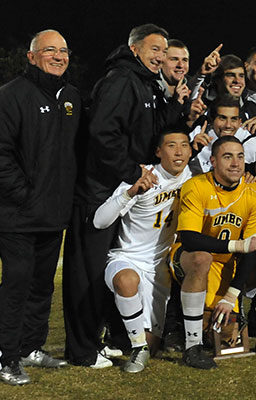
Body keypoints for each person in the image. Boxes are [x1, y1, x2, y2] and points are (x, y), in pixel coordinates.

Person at [63, 23, 171, 369]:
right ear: (135, 48)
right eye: (154, 49)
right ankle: (81, 349)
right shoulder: (122, 80)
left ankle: (103, 339)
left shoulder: (142, 81)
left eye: (164, 51)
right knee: (87, 273)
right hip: (98, 193)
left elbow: (143, 135)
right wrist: (132, 171)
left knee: (103, 271)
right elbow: (102, 133)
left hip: (117, 191)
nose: (161, 56)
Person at [0, 29, 78, 385]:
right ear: (31, 56)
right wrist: (25, 194)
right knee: (17, 283)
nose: (59, 56)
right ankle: (9, 358)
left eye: (63, 50)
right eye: (50, 50)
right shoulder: (7, 97)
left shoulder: (71, 97)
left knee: (42, 285)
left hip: (53, 214)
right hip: (17, 215)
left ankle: (33, 346)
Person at [92, 128, 193, 373]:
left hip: (159, 267)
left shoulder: (193, 177)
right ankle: (137, 349)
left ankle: (134, 339)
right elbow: (99, 221)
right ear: (158, 151)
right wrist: (130, 193)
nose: (179, 151)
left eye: (184, 145)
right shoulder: (142, 176)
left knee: (153, 345)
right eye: (171, 145)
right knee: (127, 281)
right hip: (127, 257)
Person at [170, 136, 256, 369]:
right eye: (227, 157)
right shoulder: (196, 186)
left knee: (225, 334)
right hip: (190, 257)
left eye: (240, 156)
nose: (235, 163)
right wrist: (238, 245)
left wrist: (231, 295)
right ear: (213, 161)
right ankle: (190, 346)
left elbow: (252, 249)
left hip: (225, 264)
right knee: (202, 259)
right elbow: (190, 238)